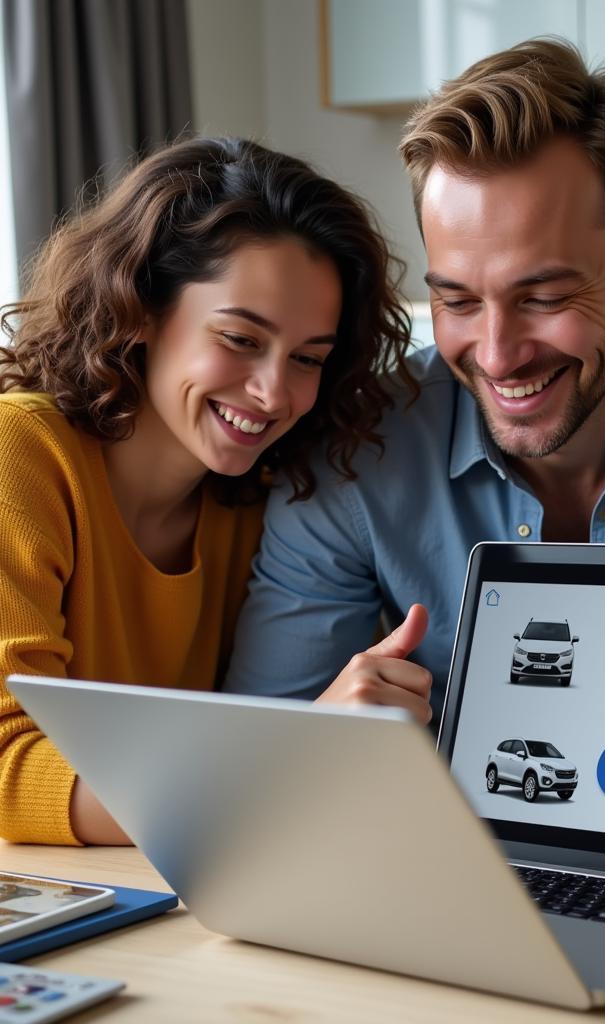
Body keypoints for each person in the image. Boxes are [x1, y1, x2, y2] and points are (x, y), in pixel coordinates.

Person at [224, 39, 605, 722]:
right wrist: (330, 735)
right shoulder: (356, 453)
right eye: (458, 301)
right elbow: (272, 748)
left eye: (545, 298)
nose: (499, 356)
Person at [0, 136, 414, 845]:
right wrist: (295, 756)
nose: (273, 392)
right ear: (140, 309)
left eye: (308, 358)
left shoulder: (263, 498)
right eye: (241, 339)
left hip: (170, 878)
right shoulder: (21, 456)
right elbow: (9, 772)